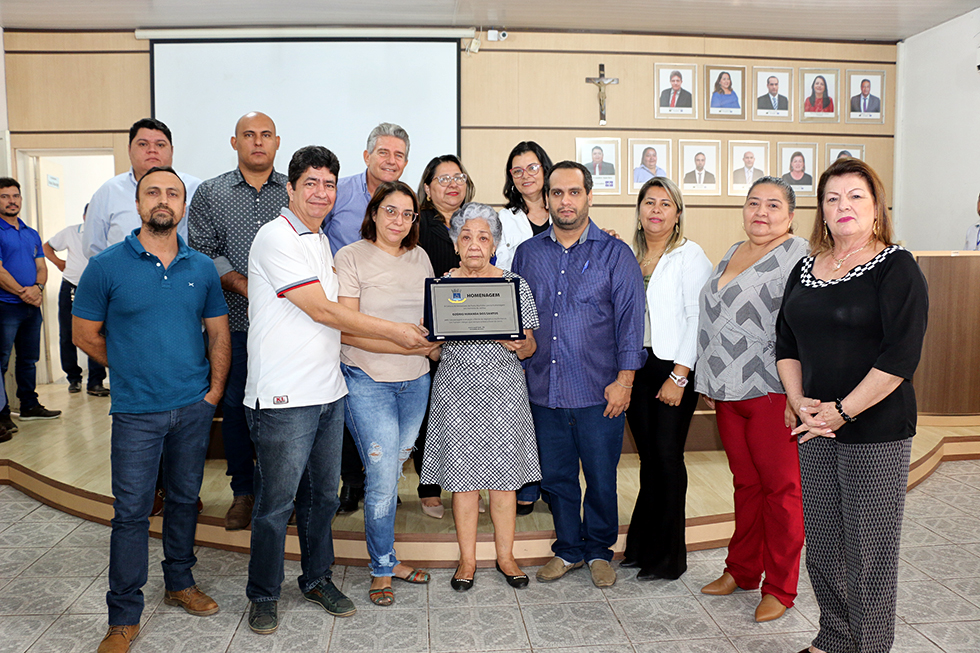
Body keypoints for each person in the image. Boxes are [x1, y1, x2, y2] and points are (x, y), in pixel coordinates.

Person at [242, 146, 429, 635]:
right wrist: (396, 333)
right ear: (291, 188)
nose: (321, 193)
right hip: (283, 395)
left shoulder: (320, 240)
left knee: (323, 498)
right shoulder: (275, 237)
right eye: (311, 183)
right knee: (276, 504)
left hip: (328, 389)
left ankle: (317, 578)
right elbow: (324, 312)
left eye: (329, 184)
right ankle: (263, 593)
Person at [73, 166, 231, 653]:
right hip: (137, 413)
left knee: (185, 501)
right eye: (153, 192)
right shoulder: (106, 267)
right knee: (132, 514)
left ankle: (180, 582)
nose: (163, 200)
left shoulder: (202, 267)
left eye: (173, 194)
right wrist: (129, 371)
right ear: (139, 204)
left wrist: (212, 393)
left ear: (183, 206)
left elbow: (219, 333)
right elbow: (85, 335)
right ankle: (122, 615)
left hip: (193, 407)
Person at [776, 158, 928, 653]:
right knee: (823, 546)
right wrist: (800, 404)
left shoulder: (897, 266)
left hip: (875, 427)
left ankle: (870, 646)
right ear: (821, 211)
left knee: (869, 553)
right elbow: (786, 342)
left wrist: (840, 412)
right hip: (814, 426)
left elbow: (900, 357)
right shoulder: (805, 267)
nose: (844, 206)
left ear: (877, 207)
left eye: (856, 196)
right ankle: (835, 638)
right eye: (833, 198)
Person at [511, 161, 646, 589]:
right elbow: (517, 318)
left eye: (573, 192)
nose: (565, 201)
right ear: (546, 198)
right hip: (543, 389)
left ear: (589, 196)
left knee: (602, 478)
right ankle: (568, 549)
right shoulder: (528, 254)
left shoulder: (615, 254)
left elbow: (630, 323)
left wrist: (625, 381)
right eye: (556, 193)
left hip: (599, 390)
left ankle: (600, 550)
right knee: (557, 478)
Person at [696, 176, 809, 624]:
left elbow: (804, 327)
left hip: (772, 391)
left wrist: (797, 395)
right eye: (753, 203)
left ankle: (780, 587)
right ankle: (742, 570)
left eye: (773, 205)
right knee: (746, 486)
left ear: (791, 215)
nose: (761, 212)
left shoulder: (799, 256)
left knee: (781, 492)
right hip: (727, 390)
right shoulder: (733, 251)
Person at [421, 202, 541, 591]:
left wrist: (519, 342)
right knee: (463, 483)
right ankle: (467, 561)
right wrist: (431, 343)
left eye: (483, 237)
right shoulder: (440, 286)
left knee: (504, 483)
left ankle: (506, 557)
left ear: (494, 245)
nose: (474, 244)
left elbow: (531, 346)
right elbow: (433, 350)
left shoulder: (513, 283)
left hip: (503, 393)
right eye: (467, 236)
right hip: (456, 393)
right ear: (456, 242)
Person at [335, 181, 435, 605]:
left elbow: (431, 321)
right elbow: (347, 328)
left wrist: (429, 345)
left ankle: (386, 556)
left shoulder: (421, 257)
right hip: (365, 379)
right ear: (373, 213)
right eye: (390, 211)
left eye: (407, 213)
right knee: (380, 478)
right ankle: (381, 566)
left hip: (415, 381)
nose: (398, 220)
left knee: (393, 470)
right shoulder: (351, 256)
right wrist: (409, 343)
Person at [187, 111, 288, 531]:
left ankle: (280, 492)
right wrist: (252, 288)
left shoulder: (296, 190)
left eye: (266, 135)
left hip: (290, 324)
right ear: (235, 143)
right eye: (249, 135)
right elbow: (205, 251)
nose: (258, 142)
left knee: (285, 410)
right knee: (235, 408)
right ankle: (243, 492)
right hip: (233, 322)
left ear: (277, 142)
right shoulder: (210, 194)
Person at [622, 177, 711, 581]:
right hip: (637, 366)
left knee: (667, 458)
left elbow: (698, 318)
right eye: (649, 203)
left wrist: (680, 375)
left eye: (665, 204)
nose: (656, 210)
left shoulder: (690, 256)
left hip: (673, 366)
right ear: (639, 212)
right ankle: (642, 546)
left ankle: (669, 558)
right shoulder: (629, 256)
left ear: (677, 214)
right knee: (649, 460)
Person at [324, 123, 411, 514]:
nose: (391, 161)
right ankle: (352, 480)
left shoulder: (409, 206)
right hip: (339, 315)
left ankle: (378, 484)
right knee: (343, 403)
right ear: (367, 156)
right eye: (384, 153)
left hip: (390, 323)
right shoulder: (337, 195)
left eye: (399, 155)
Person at [414, 154, 476, 518]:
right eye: (443, 178)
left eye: (458, 177)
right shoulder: (417, 224)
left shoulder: (476, 222)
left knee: (467, 414)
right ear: (427, 187)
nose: (453, 184)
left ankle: (468, 487)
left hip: (472, 329)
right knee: (431, 412)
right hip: (432, 333)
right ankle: (428, 485)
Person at [85, 118, 201, 257]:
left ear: (172, 151)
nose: (152, 150)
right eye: (143, 144)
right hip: (123, 275)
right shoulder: (108, 192)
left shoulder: (196, 189)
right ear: (129, 149)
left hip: (181, 274)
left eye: (160, 144)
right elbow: (93, 248)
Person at [0, 177, 61, 439]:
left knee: (28, 360)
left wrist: (38, 289)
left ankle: (29, 405)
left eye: (15, 195)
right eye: (5, 196)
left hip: (31, 306)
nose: (12, 201)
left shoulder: (30, 232)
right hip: (6, 306)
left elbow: (42, 266)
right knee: (1, 363)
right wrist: (24, 293)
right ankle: (2, 416)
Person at [43, 203, 109, 396]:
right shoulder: (71, 232)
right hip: (72, 286)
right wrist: (58, 263)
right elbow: (46, 247)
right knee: (68, 333)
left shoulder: (108, 235)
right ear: (84, 216)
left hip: (98, 290)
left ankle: (95, 382)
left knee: (98, 334)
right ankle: (73, 378)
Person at [497, 141, 553, 273]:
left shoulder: (562, 213)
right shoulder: (503, 219)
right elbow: (501, 269)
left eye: (532, 168)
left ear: (545, 170)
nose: (525, 176)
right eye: (517, 171)